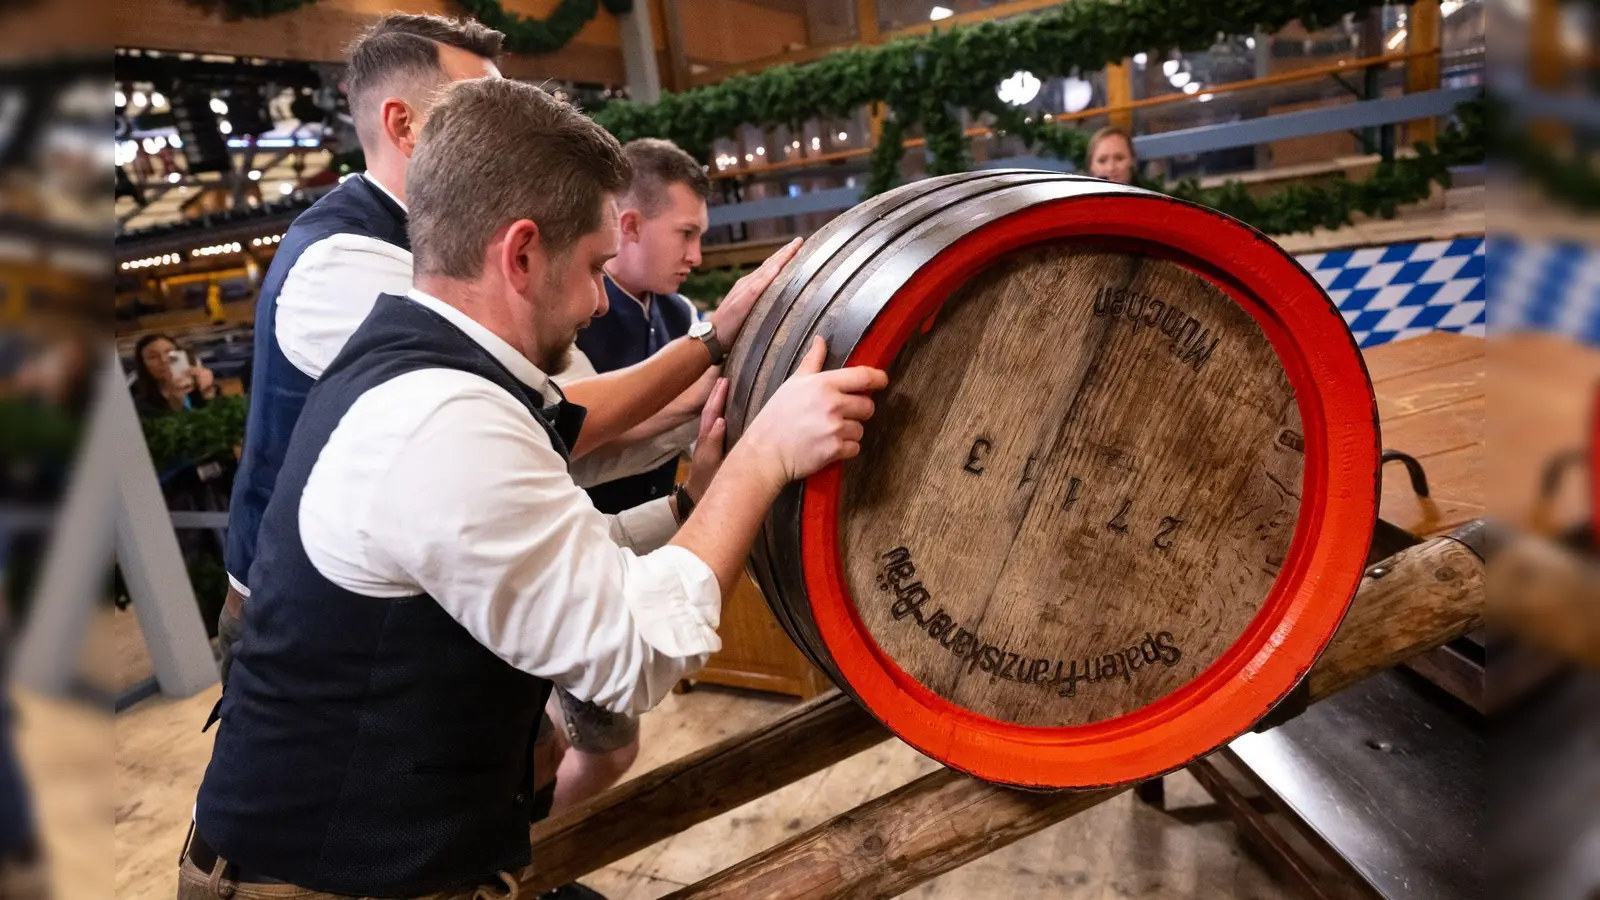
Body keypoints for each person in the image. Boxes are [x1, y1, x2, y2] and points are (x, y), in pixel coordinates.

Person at [180, 76, 886, 900]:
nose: (597, 299)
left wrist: (690, 505)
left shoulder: (429, 364)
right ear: (519, 254)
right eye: (592, 266)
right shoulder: (442, 418)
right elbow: (632, 653)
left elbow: (551, 557)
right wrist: (765, 457)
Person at [544, 137, 711, 814]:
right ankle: (522, 863)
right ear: (630, 225)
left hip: (648, 538)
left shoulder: (673, 313)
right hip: (582, 556)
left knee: (590, 733)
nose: (696, 255)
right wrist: (699, 393)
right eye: (687, 234)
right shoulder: (576, 319)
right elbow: (583, 431)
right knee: (607, 747)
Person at [130, 333, 218, 417]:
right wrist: (176, 401)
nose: (164, 360)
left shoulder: (197, 386)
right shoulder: (141, 403)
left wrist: (208, 392)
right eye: (153, 357)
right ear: (143, 365)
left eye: (169, 352)